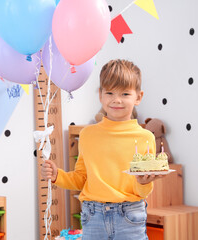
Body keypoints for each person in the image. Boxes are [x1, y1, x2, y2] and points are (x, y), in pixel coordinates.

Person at [41, 59, 160, 240]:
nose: (116, 100)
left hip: (130, 216)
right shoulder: (88, 135)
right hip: (93, 216)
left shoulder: (145, 138)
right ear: (100, 95)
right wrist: (58, 176)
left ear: (138, 97)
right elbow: (81, 179)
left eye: (125, 94)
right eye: (110, 92)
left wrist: (144, 183)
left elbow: (142, 190)